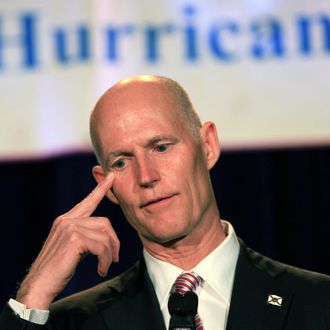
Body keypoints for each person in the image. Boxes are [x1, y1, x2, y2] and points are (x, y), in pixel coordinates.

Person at [0, 75, 329, 330]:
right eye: (121, 162)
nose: (146, 176)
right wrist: (33, 295)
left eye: (161, 147)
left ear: (207, 145)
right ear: (106, 186)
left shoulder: (318, 303)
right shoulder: (73, 322)